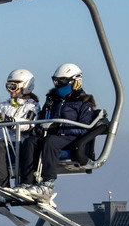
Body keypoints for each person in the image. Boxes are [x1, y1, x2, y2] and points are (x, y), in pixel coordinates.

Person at [16, 63, 99, 206]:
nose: (58, 85)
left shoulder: (84, 102)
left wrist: (59, 127)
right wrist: (40, 127)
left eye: (62, 82)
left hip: (72, 139)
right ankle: (26, 183)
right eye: (55, 81)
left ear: (74, 82)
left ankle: (47, 185)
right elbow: (41, 118)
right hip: (51, 135)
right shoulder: (52, 101)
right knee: (30, 142)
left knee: (50, 141)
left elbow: (85, 128)